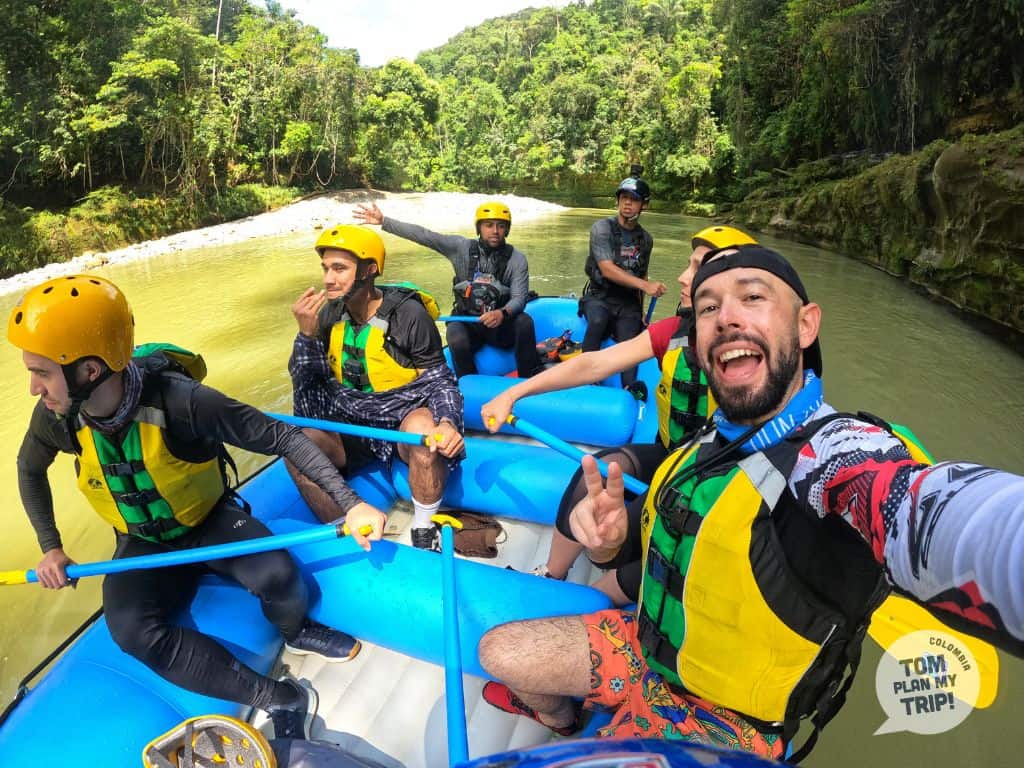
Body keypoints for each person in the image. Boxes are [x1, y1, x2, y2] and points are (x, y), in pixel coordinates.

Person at [478, 244, 1024, 759]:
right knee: (498, 653)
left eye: (753, 296)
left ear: (806, 324)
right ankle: (568, 722)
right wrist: (610, 544)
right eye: (710, 305)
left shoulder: (837, 456)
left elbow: (935, 514)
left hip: (728, 717)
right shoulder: (709, 442)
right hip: (648, 654)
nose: (727, 316)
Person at [8, 275, 388, 741]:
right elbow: (29, 470)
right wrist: (51, 547)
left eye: (41, 372)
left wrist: (351, 505)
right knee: (130, 631)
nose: (32, 388)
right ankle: (280, 696)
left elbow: (282, 436)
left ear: (88, 371)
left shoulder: (182, 402)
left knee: (280, 578)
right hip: (141, 539)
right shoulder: (56, 417)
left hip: (209, 519)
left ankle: (294, 629)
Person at [482, 226, 757, 601]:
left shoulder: (759, 353)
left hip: (721, 478)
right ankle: (552, 574)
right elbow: (594, 364)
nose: (682, 276)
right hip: (672, 455)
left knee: (664, 541)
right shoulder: (675, 331)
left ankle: (597, 604)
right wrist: (515, 392)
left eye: (696, 268)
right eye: (689, 266)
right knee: (594, 472)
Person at [288, 224, 465, 551]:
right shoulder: (330, 314)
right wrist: (306, 335)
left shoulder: (409, 317)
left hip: (399, 417)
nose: (328, 279)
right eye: (326, 269)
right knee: (295, 446)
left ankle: (424, 530)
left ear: (369, 271)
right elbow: (306, 380)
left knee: (424, 436)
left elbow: (440, 381)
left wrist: (448, 422)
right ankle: (345, 531)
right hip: (349, 422)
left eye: (339, 269)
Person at [353, 199, 542, 379]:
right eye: (489, 225)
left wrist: (502, 313)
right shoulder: (460, 248)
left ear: (507, 230)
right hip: (468, 320)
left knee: (524, 322)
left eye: (501, 226)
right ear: (479, 228)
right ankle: (469, 385)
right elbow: (425, 235)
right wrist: (384, 221)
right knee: (454, 335)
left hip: (500, 325)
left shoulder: (517, 259)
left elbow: (519, 298)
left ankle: (529, 377)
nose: (495, 231)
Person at [579, 172, 666, 398]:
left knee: (630, 335)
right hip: (600, 296)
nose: (627, 203)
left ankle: (630, 389)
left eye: (634, 199)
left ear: (643, 204)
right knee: (598, 320)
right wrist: (644, 285)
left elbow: (643, 275)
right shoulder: (602, 228)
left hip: (627, 302)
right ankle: (586, 377)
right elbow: (606, 268)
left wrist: (644, 311)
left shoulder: (645, 239)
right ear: (618, 200)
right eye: (624, 197)